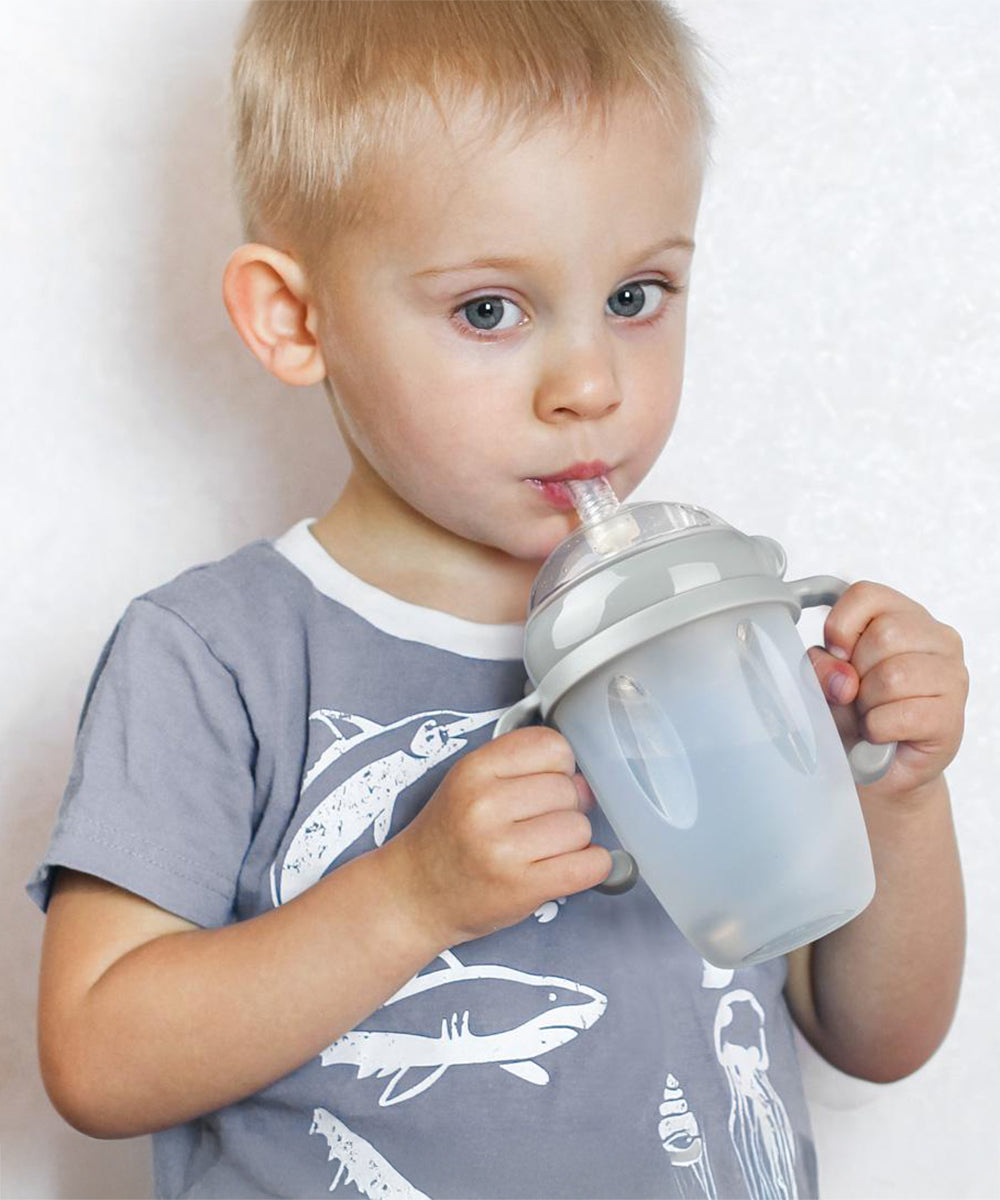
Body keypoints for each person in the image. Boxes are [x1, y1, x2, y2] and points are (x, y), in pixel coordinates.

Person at [26, 3, 968, 1197]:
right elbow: (99, 1059)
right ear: (295, 317)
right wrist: (407, 899)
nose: (589, 383)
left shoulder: (702, 632)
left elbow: (875, 1037)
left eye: (637, 296)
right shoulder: (218, 655)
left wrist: (893, 795)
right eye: (488, 309)